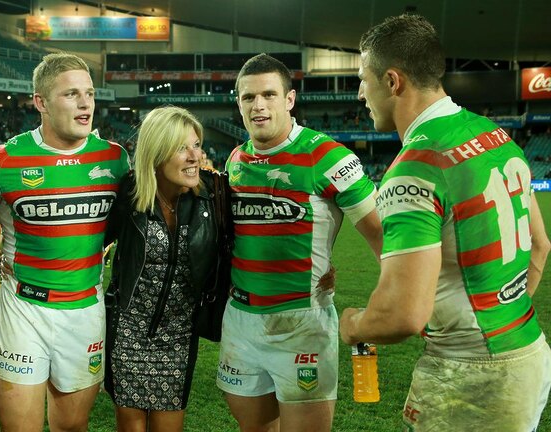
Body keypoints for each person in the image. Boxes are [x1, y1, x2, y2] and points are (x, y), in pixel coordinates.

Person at [339, 14, 551, 432]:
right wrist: (501, 317)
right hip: (529, 354)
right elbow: (540, 246)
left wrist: (352, 325)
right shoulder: (496, 135)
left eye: (364, 78)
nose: (360, 92)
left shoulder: (416, 167)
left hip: (471, 379)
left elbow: (402, 315)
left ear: (393, 81)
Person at [0, 52, 130, 432]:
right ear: (40, 102)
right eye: (71, 94)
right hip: (23, 310)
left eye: (90, 94)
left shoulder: (115, 160)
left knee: (72, 428)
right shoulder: (1, 162)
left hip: (85, 310)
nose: (85, 104)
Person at [216, 53, 383, 432]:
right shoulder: (236, 158)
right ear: (238, 102)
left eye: (269, 95)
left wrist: (391, 302)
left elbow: (383, 238)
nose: (258, 105)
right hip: (241, 320)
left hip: (302, 323)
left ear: (289, 100)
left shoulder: (328, 156)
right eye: (248, 97)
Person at [103, 106, 225, 431]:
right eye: (181, 147)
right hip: (128, 334)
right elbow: (86, 241)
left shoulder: (213, 195)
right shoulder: (128, 194)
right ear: (156, 154)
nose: (194, 156)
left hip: (179, 338)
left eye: (197, 145)